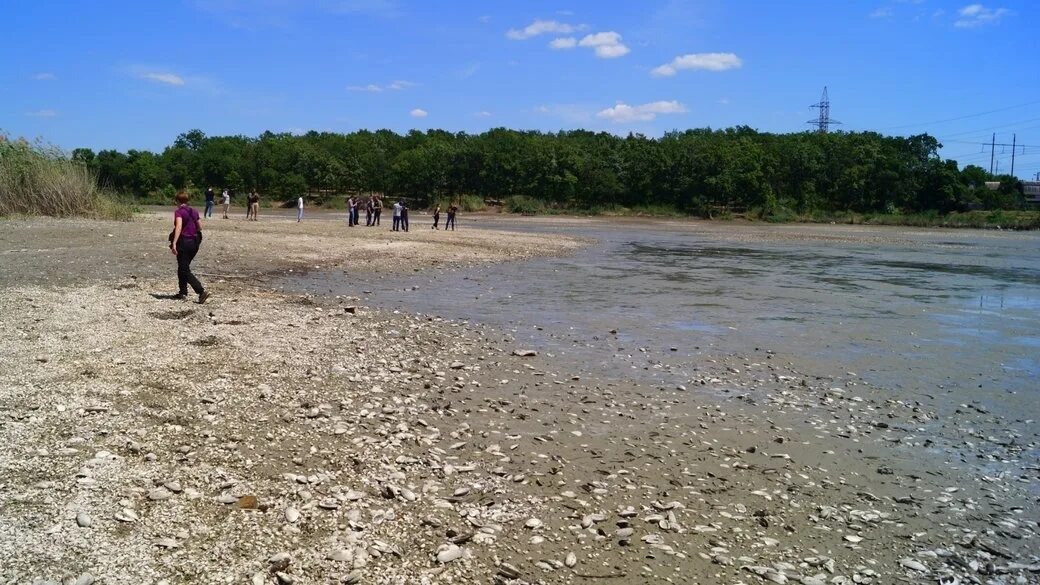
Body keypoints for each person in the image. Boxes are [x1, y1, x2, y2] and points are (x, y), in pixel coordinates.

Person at [170, 192, 209, 304]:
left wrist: (174, 242)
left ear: (177, 201)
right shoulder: (194, 211)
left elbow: (178, 226)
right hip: (194, 243)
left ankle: (201, 291)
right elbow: (200, 227)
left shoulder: (179, 212)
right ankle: (183, 292)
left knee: (184, 269)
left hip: (184, 242)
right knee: (182, 266)